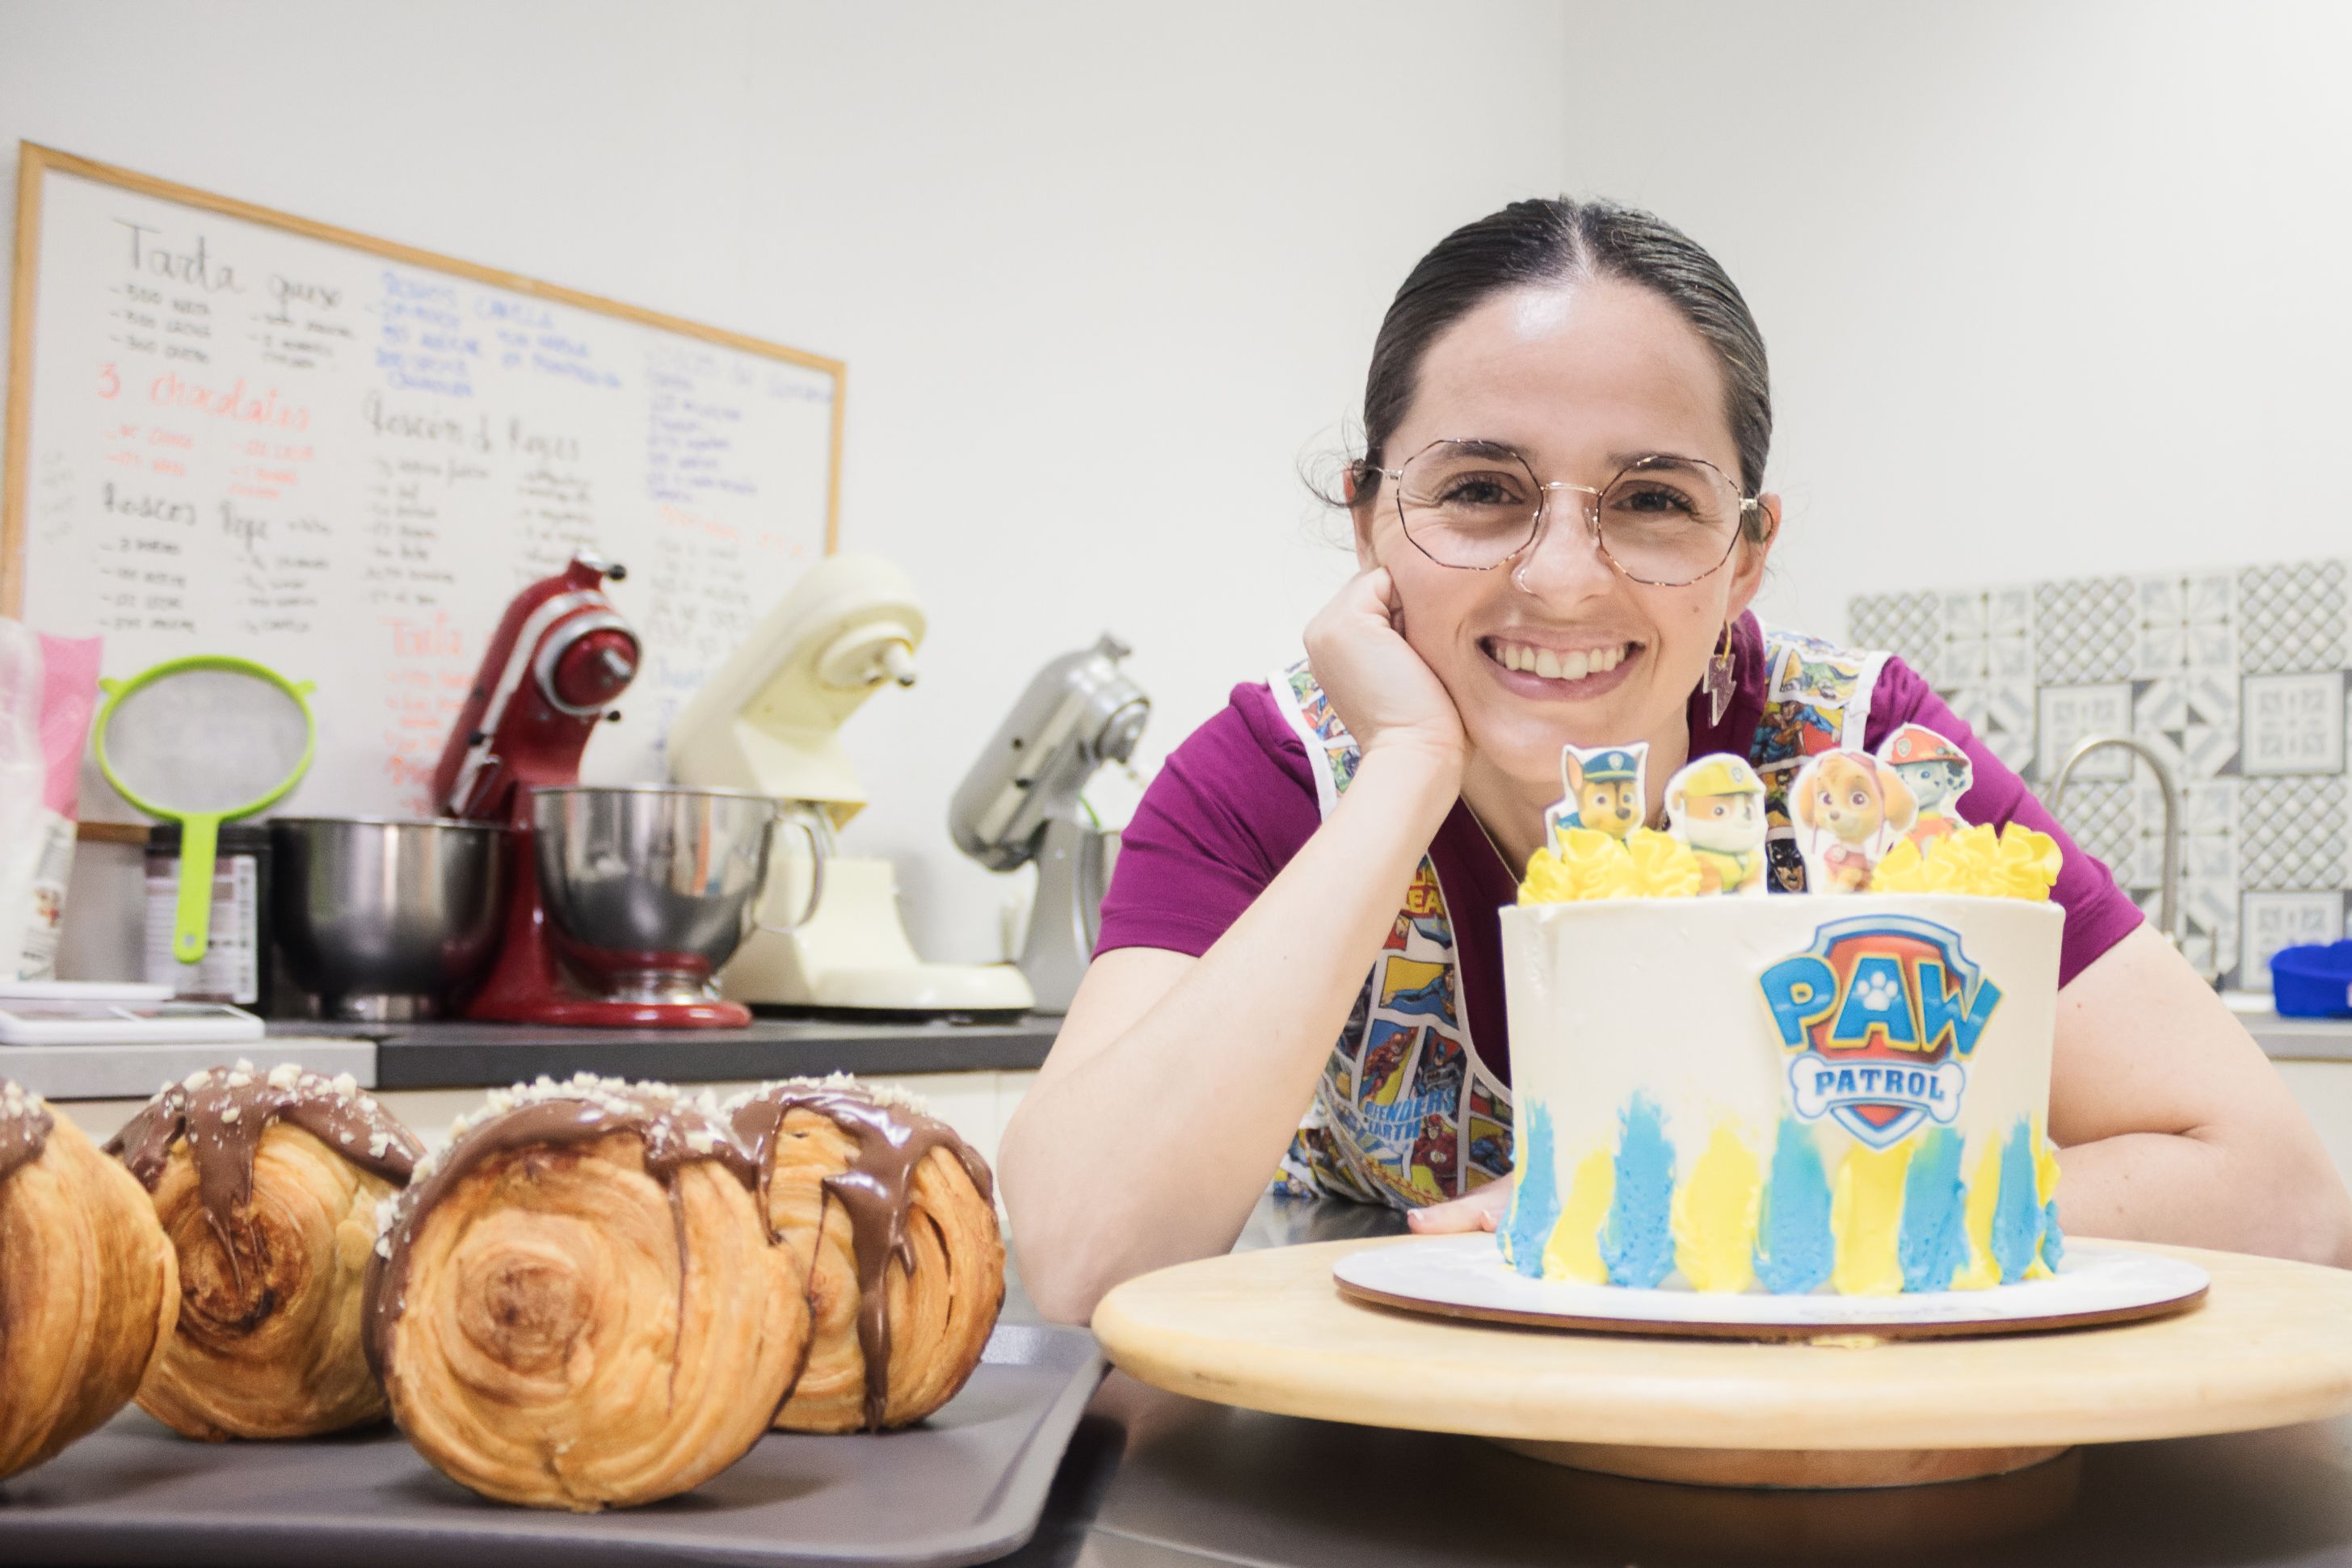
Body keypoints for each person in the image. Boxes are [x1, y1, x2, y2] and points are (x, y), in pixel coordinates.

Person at [997, 197, 2352, 1323]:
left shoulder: (1864, 762)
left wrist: (1740, 1207)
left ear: (1748, 550)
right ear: (1368, 518)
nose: (1566, 580)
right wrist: (1408, 762)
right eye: (1481, 489)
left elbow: (2282, 1197)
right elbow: (1077, 1262)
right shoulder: (1266, 783)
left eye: (1651, 500)